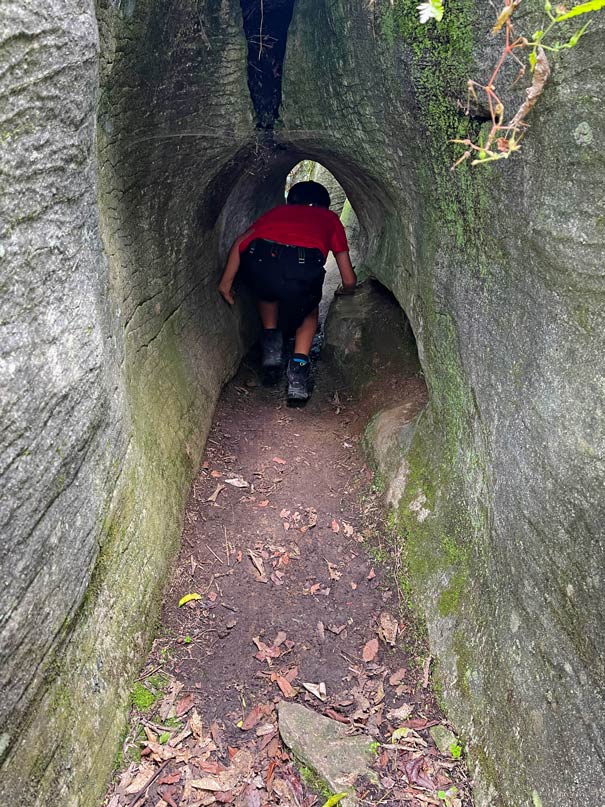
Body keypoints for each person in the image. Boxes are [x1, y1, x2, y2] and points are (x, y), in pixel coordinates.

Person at [218, 180, 357, 402]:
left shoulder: (277, 212)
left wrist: (225, 284)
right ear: (325, 204)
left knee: (267, 294)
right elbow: (348, 277)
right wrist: (348, 290)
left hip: (262, 264)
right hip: (302, 269)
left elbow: (240, 242)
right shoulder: (329, 219)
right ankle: (298, 378)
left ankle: (271, 355)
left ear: (291, 200)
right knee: (309, 313)